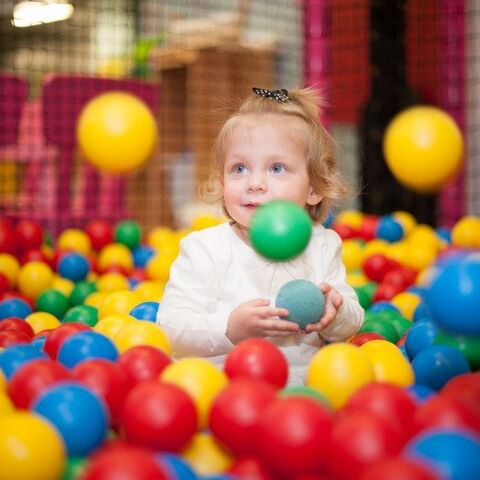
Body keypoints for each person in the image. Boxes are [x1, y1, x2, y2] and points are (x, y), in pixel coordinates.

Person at [156, 86, 364, 385]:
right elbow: (172, 328)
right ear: (221, 181)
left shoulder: (321, 245)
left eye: (277, 168)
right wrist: (230, 328)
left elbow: (351, 324)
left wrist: (336, 311)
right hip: (224, 391)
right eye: (239, 168)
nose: (254, 183)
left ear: (314, 189)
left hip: (305, 392)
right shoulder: (205, 249)